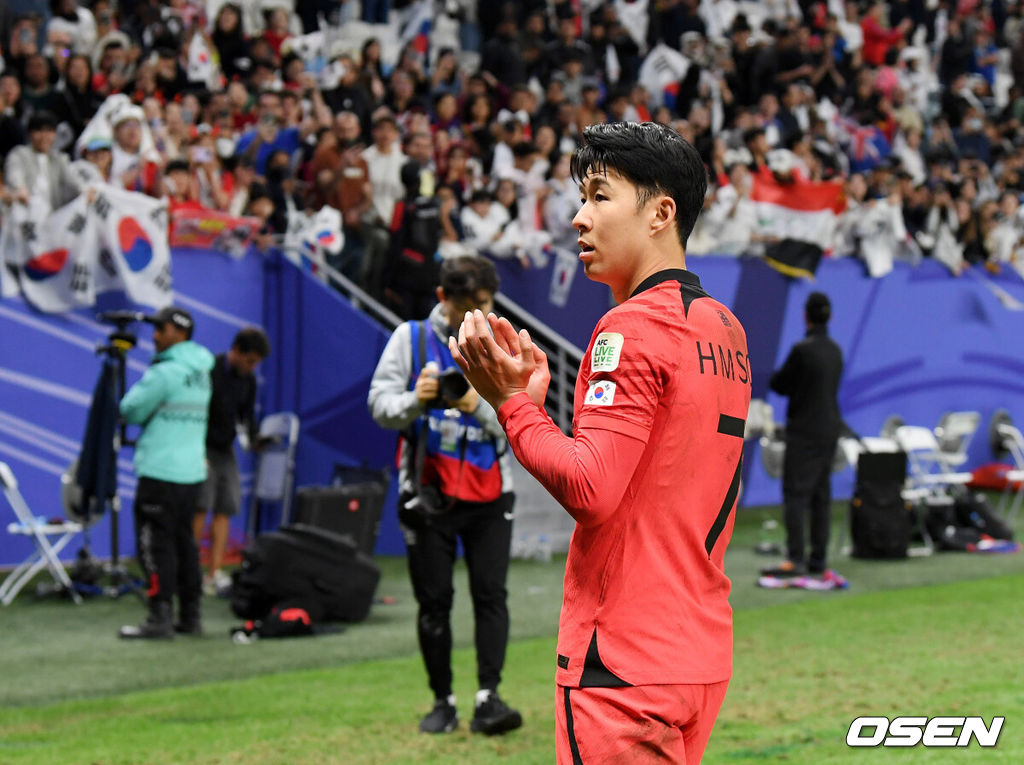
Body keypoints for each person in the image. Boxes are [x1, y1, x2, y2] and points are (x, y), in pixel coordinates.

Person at [448, 122, 751, 763]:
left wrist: (511, 406)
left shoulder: (628, 327)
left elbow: (592, 488)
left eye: (599, 196)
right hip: (697, 653)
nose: (579, 218)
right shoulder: (725, 329)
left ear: (660, 213)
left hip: (621, 661)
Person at [367, 255, 523, 737]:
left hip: (491, 492)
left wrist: (476, 405)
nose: (477, 315)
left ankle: (488, 698)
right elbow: (379, 405)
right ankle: (443, 702)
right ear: (443, 299)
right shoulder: (410, 339)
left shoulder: (503, 341)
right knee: (434, 602)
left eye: (485, 304)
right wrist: (417, 399)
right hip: (428, 492)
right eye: (468, 307)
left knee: (490, 596)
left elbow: (520, 425)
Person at [118, 307, 215, 639]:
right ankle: (191, 617)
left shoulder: (166, 372)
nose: (156, 335)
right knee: (185, 544)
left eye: (161, 329)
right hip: (191, 472)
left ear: (177, 332)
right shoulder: (202, 371)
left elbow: (129, 409)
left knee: (155, 545)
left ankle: (159, 617)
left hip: (160, 471)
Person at [763, 292, 844, 577]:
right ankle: (818, 560)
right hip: (829, 431)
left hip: (804, 432)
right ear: (830, 316)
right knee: (821, 496)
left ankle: (795, 558)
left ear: (805, 316)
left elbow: (780, 384)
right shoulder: (835, 351)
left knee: (796, 495)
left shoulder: (802, 350)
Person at [194, 327, 271, 597]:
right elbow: (197, 411)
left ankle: (213, 574)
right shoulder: (210, 370)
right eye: (249, 361)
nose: (252, 367)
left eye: (256, 363)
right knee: (200, 506)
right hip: (201, 446)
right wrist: (196, 451)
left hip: (226, 449)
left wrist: (255, 439)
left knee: (225, 507)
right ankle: (190, 574)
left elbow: (246, 417)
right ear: (236, 351)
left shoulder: (248, 381)